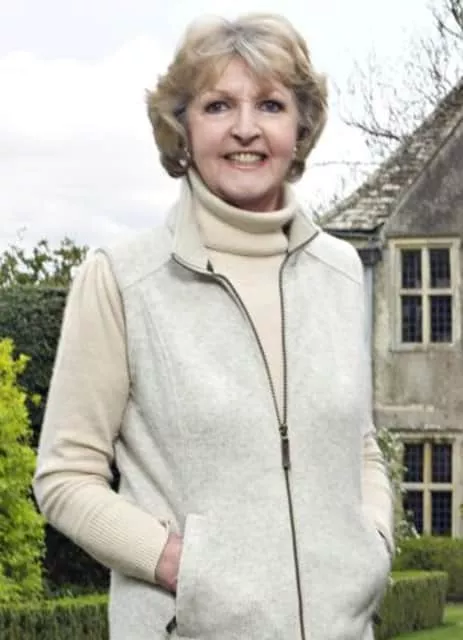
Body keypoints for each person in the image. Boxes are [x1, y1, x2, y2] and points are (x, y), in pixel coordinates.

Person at [34, 13, 394, 640]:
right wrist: (184, 567)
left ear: (300, 128)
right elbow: (65, 477)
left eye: (271, 105)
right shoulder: (123, 279)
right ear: (183, 128)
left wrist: (374, 543)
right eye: (218, 105)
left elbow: (358, 444)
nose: (245, 128)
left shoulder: (341, 272)